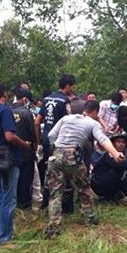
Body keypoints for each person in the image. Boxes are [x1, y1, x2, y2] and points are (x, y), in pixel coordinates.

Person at [44, 100, 125, 238]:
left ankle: (53, 228)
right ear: (94, 112)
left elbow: (51, 136)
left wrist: (57, 149)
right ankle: (90, 220)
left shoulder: (65, 118)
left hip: (55, 156)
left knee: (55, 192)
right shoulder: (93, 123)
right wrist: (115, 153)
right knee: (84, 189)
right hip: (73, 157)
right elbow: (102, 139)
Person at [0, 83, 33, 246]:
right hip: (8, 157)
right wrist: (25, 144)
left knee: (1, 196)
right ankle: (5, 239)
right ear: (4, 94)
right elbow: (9, 136)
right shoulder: (5, 110)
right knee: (9, 198)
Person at [37, 74, 75, 209]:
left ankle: (45, 202)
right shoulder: (64, 101)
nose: (73, 89)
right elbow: (69, 122)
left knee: (49, 171)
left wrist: (38, 140)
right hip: (60, 143)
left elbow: (37, 121)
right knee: (64, 172)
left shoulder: (46, 99)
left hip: (47, 140)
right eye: (73, 86)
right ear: (68, 86)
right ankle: (65, 205)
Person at [90, 133, 127, 206]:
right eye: (118, 142)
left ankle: (109, 198)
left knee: (123, 175)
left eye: (123, 142)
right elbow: (123, 165)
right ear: (112, 143)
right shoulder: (110, 154)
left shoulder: (119, 154)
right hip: (100, 185)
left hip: (106, 183)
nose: (121, 144)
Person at [10, 87, 38, 210]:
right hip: (26, 150)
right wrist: (35, 145)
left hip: (11, 151)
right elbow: (32, 132)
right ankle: (25, 205)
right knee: (26, 179)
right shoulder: (26, 113)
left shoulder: (7, 111)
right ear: (25, 99)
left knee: (13, 179)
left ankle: (15, 204)